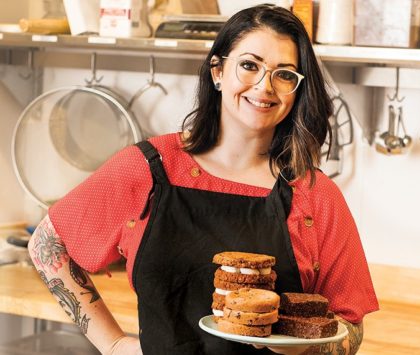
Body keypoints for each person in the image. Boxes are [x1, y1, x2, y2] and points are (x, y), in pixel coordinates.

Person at [28, 4, 378, 355]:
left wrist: (303, 349)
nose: (264, 86)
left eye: (284, 74)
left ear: (297, 90)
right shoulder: (150, 167)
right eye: (249, 65)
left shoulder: (316, 196)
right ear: (217, 71)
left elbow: (350, 329)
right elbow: (46, 244)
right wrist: (113, 343)